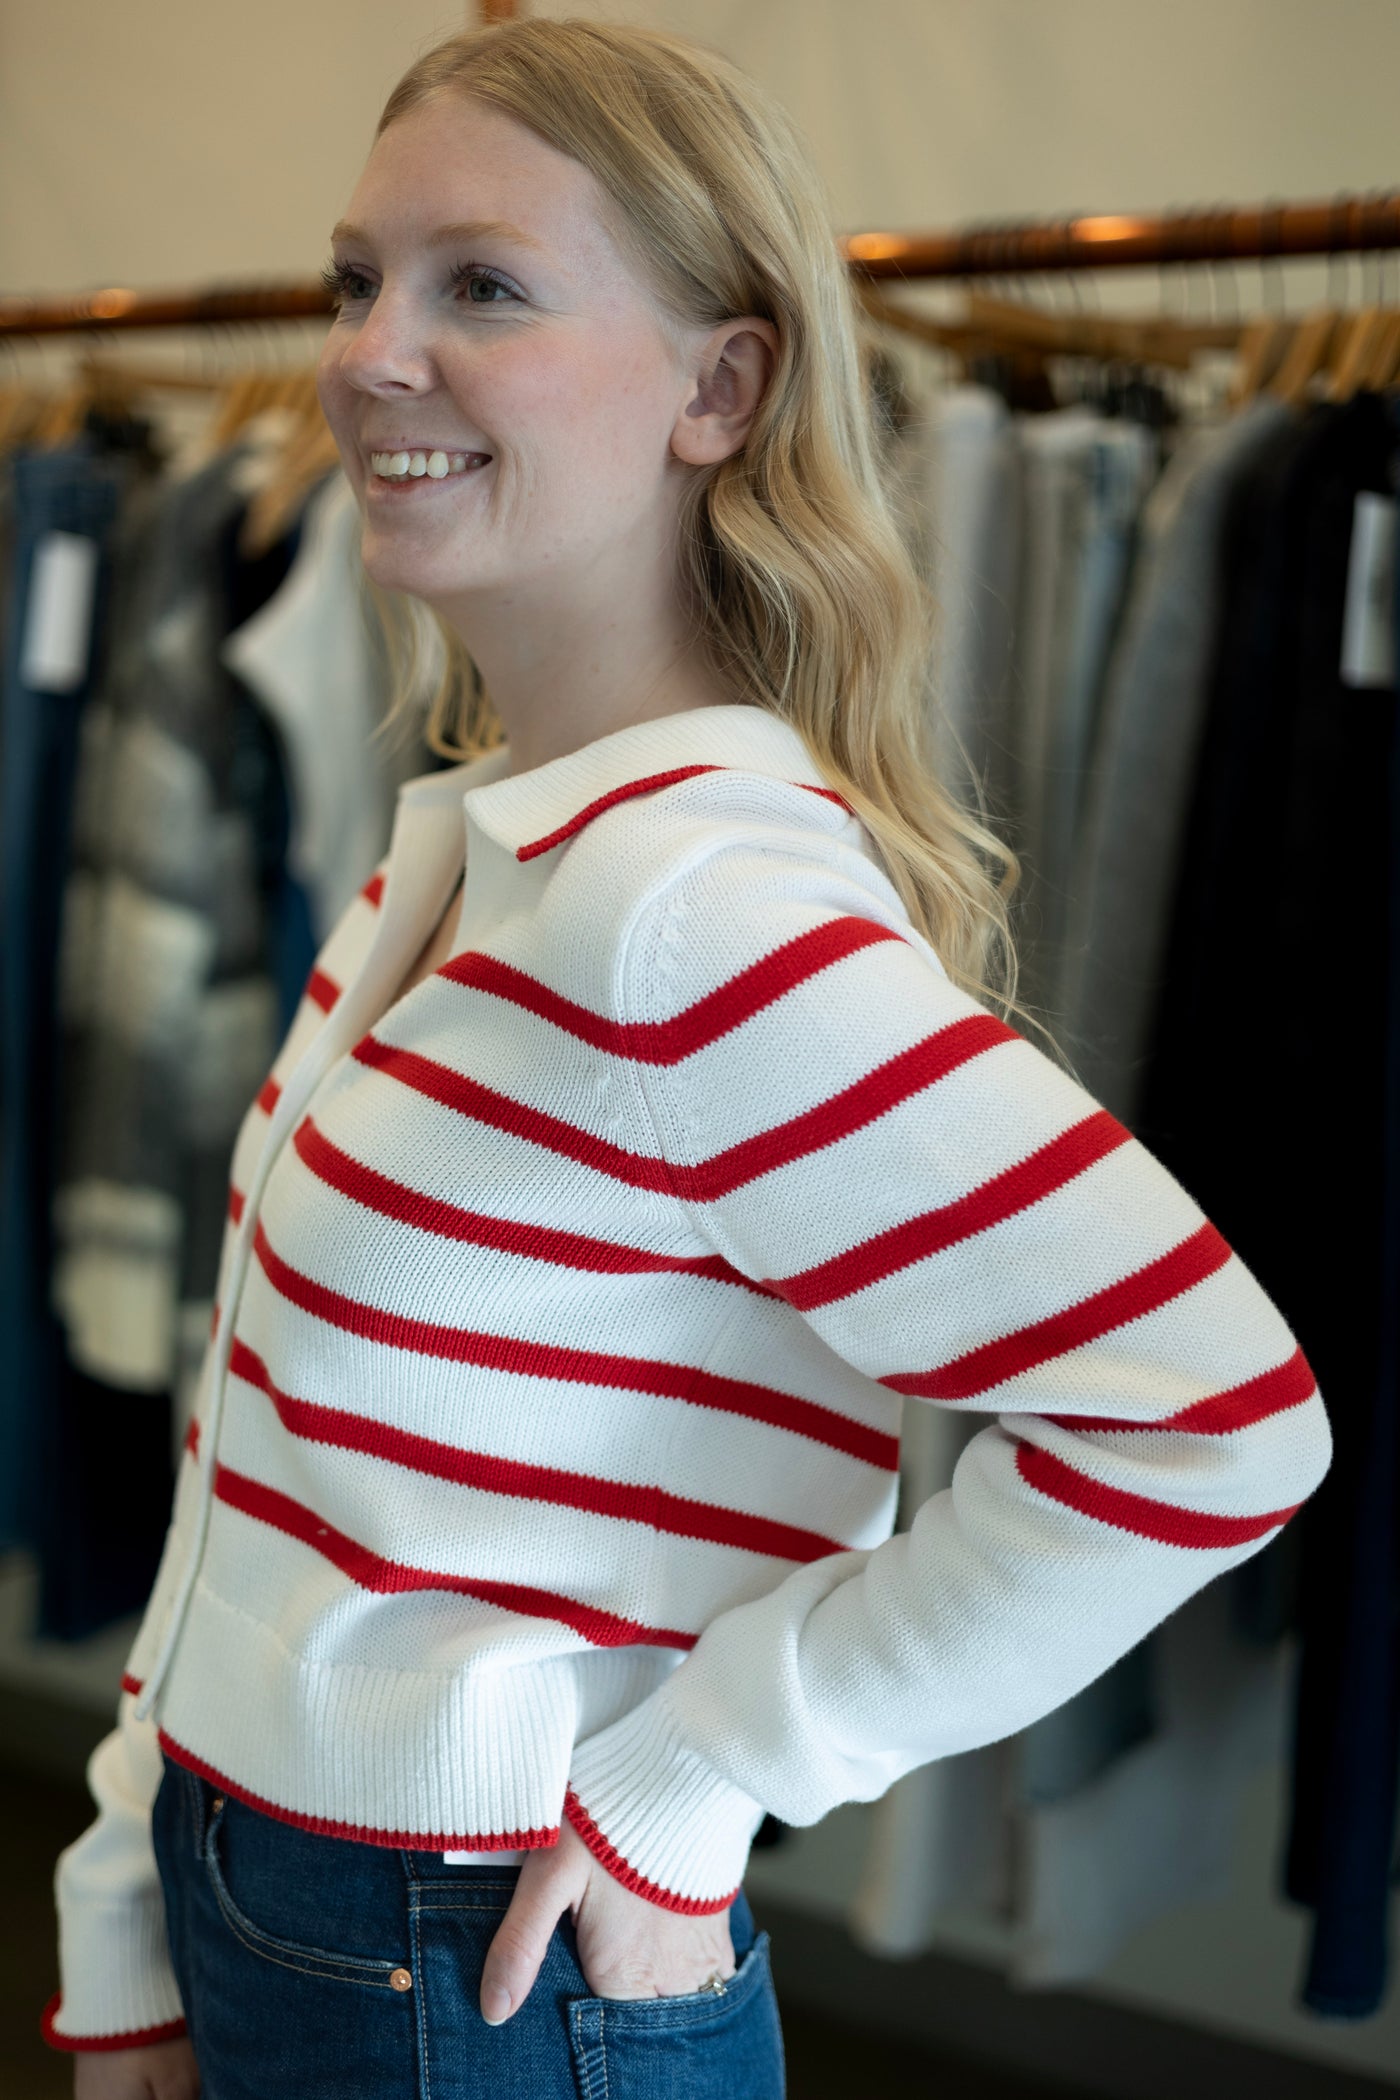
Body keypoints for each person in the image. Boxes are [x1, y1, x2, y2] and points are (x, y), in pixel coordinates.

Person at [45, 19, 1332, 2099]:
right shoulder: (461, 860)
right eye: (354, 279)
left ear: (720, 389)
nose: (374, 352)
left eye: (483, 285)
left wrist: (715, 1769)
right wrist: (128, 1911)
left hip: (475, 1978)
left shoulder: (693, 922)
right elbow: (260, 1475)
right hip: (273, 1908)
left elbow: (1213, 1426)